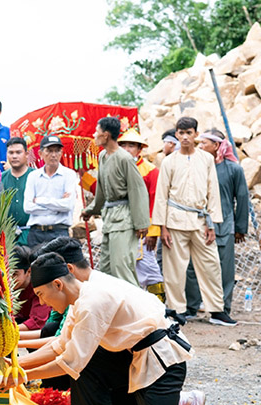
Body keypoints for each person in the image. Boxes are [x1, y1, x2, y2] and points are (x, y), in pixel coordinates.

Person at [14, 252, 260, 405]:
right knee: (92, 361)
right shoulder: (81, 296)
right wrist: (15, 365)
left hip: (163, 362)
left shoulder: (91, 301)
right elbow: (61, 345)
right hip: (135, 359)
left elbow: (70, 363)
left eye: (41, 294)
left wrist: (19, 376)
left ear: (58, 284)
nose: (42, 301)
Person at [153, 117, 233, 326]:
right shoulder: (169, 161)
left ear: (196, 134)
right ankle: (176, 309)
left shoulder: (206, 159)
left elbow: (212, 190)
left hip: (200, 220)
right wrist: (162, 227)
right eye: (181, 133)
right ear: (177, 134)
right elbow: (161, 195)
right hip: (175, 221)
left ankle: (216, 309)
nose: (185, 137)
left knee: (211, 264)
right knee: (174, 269)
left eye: (189, 133)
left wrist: (213, 224)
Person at [184, 129, 250, 320]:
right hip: (195, 225)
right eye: (200, 143)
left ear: (217, 146)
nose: (200, 146)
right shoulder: (194, 166)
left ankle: (220, 311)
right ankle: (191, 308)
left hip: (224, 226)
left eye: (204, 143)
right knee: (191, 267)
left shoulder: (233, 169)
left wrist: (240, 227)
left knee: (224, 270)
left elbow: (242, 197)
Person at [81, 117, 149, 286]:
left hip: (125, 218)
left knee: (122, 267)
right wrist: (91, 209)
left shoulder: (124, 158)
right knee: (106, 267)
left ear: (106, 135)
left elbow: (137, 189)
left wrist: (141, 222)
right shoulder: (103, 156)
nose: (94, 135)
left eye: (97, 131)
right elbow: (101, 191)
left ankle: (136, 309)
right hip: (110, 218)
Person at [116, 129, 165, 300]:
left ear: (139, 150)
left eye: (131, 146)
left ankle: (159, 309)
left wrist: (152, 232)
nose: (127, 149)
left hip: (142, 230)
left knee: (149, 270)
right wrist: (85, 178)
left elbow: (155, 202)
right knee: (123, 271)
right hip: (120, 227)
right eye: (123, 145)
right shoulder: (114, 168)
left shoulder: (150, 171)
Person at [22, 135, 78, 248]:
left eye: (57, 151)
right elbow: (28, 207)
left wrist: (40, 200)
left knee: (61, 264)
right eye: (49, 151)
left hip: (59, 231)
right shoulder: (33, 176)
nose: (53, 155)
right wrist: (57, 207)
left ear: (61, 153)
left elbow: (68, 205)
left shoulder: (69, 175)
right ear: (41, 154)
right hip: (36, 233)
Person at [0, 137, 33, 245]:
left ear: (26, 154)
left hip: (32, 235)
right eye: (11, 152)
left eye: (18, 152)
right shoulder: (0, 179)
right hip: (7, 237)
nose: (14, 156)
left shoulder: (36, 177)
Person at [12, 245, 51, 332]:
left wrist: (7, 331)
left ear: (28, 271)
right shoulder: (3, 285)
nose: (10, 279)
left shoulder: (39, 287)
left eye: (14, 274)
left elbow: (37, 322)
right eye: (7, 273)